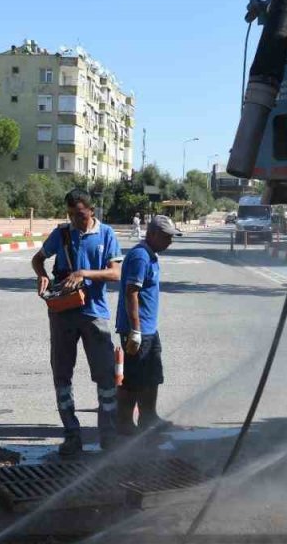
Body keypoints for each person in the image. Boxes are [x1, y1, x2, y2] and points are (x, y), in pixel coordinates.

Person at [31, 189, 124, 456]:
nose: (75, 220)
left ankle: (108, 435)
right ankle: (72, 435)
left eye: (80, 215)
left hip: (95, 313)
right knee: (62, 374)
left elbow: (116, 272)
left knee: (106, 375)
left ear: (91, 211)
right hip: (62, 313)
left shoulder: (106, 234)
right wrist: (42, 276)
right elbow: (38, 259)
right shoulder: (61, 233)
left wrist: (85, 274)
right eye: (70, 215)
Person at [116, 214, 181, 437]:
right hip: (138, 330)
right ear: (152, 234)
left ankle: (148, 417)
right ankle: (124, 422)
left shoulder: (150, 256)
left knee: (152, 375)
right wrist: (135, 330)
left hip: (149, 330)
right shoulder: (140, 257)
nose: (170, 241)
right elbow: (131, 293)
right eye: (167, 237)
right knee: (134, 378)